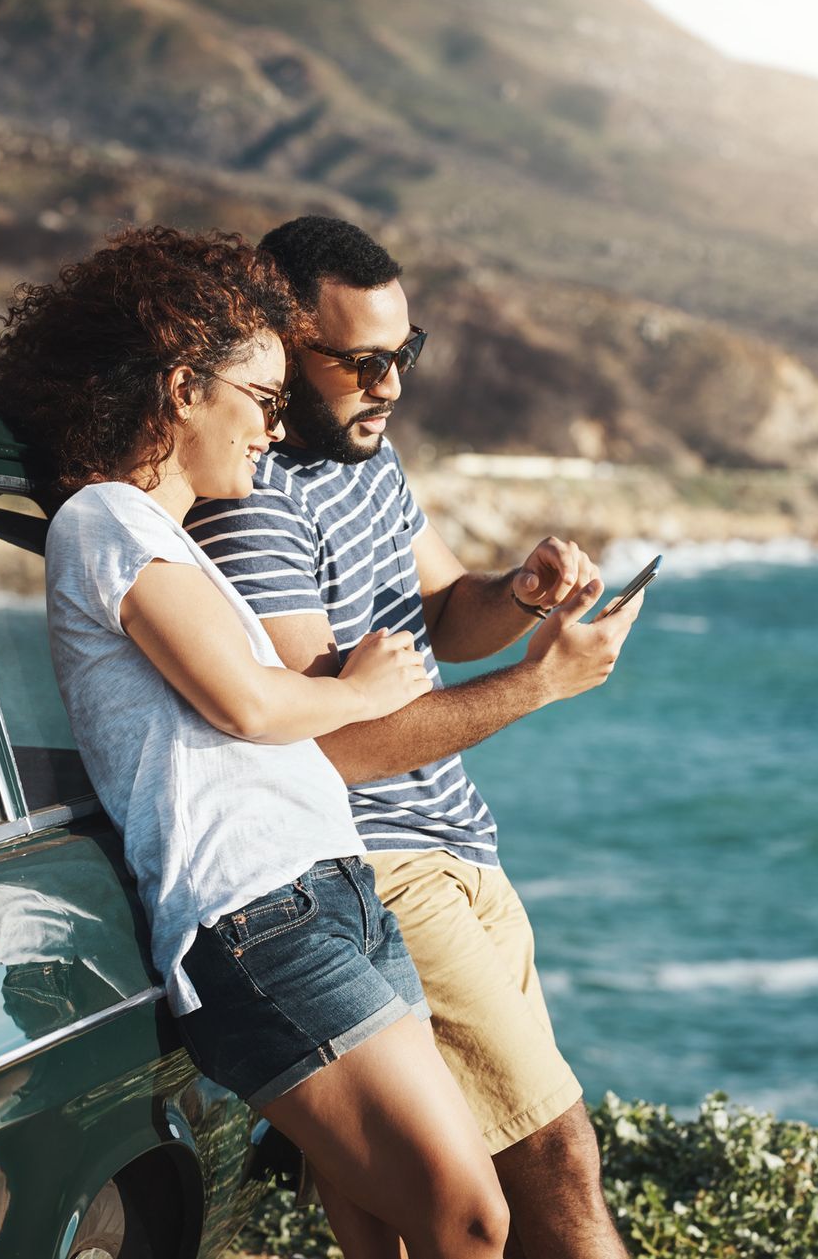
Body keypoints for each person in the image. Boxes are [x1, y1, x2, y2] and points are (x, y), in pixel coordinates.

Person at [0, 225, 509, 1259]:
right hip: (257, 917)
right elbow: (249, 706)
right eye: (260, 402)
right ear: (181, 389)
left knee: (388, 1230)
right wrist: (362, 688)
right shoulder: (108, 520)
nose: (272, 429)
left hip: (327, 890)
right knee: (470, 1217)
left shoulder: (162, 538)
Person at [187, 216, 642, 1258]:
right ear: (277, 347)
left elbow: (442, 607)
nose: (390, 385)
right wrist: (538, 686)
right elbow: (328, 747)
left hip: (463, 847)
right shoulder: (251, 509)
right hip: (381, 865)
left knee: (473, 1188)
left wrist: (519, 596)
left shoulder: (369, 461)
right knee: (557, 1161)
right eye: (361, 362)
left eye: (405, 355)